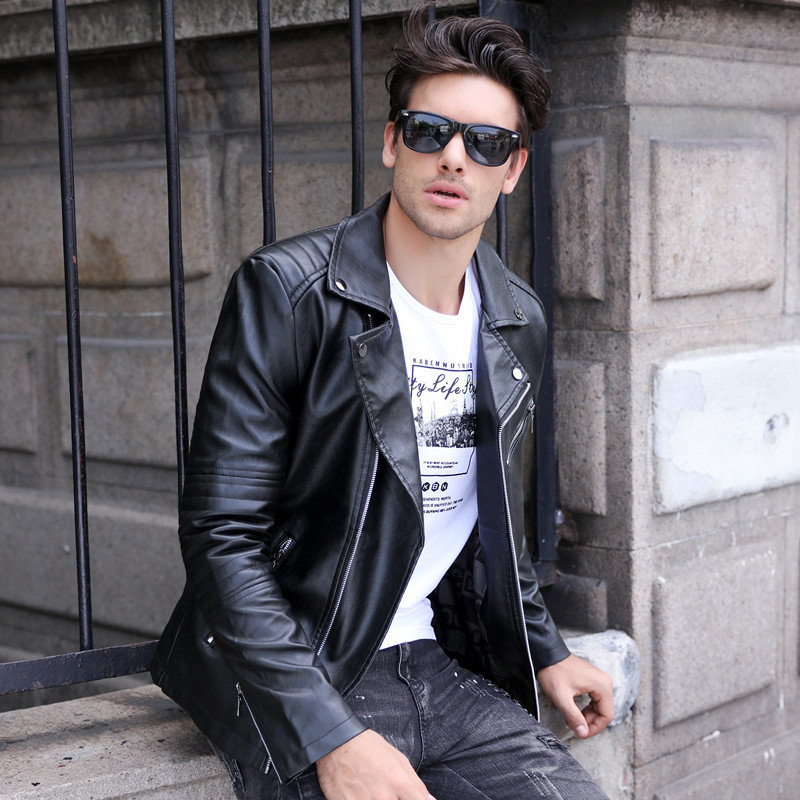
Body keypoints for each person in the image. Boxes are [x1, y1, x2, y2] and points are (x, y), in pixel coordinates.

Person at [151, 4, 614, 799]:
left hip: (435, 666)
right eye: (432, 132)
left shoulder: (516, 319)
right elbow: (221, 537)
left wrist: (546, 649)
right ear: (394, 141)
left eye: (486, 142)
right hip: (303, 675)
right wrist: (328, 734)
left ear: (512, 169)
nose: (455, 158)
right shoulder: (289, 292)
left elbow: (488, 516)